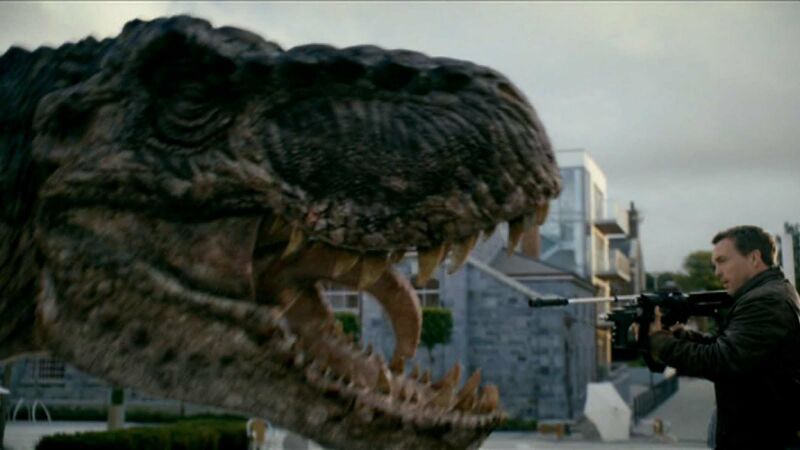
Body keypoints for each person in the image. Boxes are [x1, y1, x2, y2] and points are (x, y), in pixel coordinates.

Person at [648, 225, 800, 450]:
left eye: (722, 261)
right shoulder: (764, 294)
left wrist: (659, 342)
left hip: (762, 439)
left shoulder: (766, 301)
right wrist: (682, 336)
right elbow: (728, 348)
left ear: (754, 258)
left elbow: (721, 361)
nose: (717, 272)